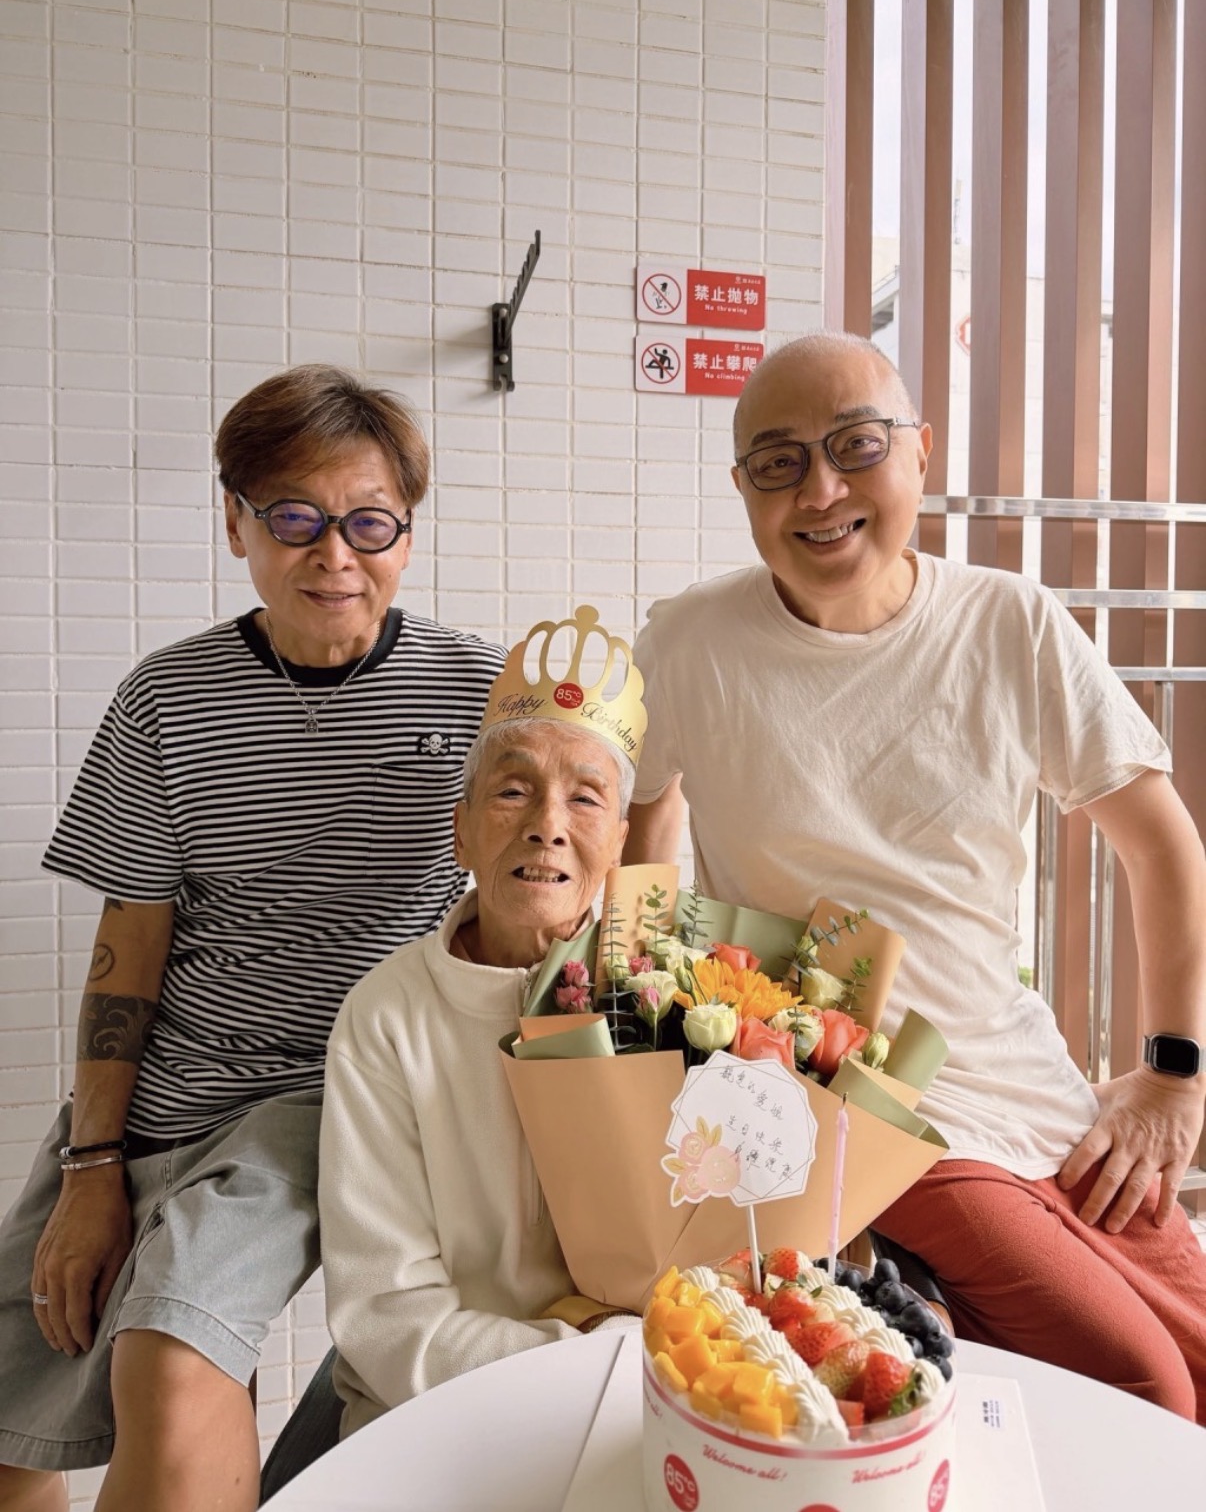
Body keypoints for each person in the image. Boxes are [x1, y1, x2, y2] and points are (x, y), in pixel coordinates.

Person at [624, 331, 1206, 1421]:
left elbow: (1161, 842)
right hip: (864, 1108)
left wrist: (1174, 1076)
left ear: (920, 453)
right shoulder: (691, 641)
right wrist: (667, 1027)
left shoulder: (1008, 622)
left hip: (1024, 1076)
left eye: (856, 445)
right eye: (780, 461)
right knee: (1143, 1381)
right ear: (743, 487)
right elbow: (644, 824)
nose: (821, 491)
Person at [0, 365, 504, 1512]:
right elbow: (129, 944)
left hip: (333, 1091)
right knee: (17, 1385)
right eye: (295, 518)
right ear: (236, 524)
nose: (335, 555)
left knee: (168, 1355)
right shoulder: (166, 699)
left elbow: (570, 869)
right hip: (165, 1088)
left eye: (369, 521)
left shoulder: (479, 694)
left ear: (408, 534)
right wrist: (91, 1165)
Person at [319, 614, 643, 1437]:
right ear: (462, 829)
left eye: (585, 798)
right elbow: (388, 1317)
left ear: (617, 844)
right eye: (513, 790)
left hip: (633, 1405)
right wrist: (595, 1360)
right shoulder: (386, 1016)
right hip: (430, 1415)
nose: (548, 824)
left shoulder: (664, 1003)